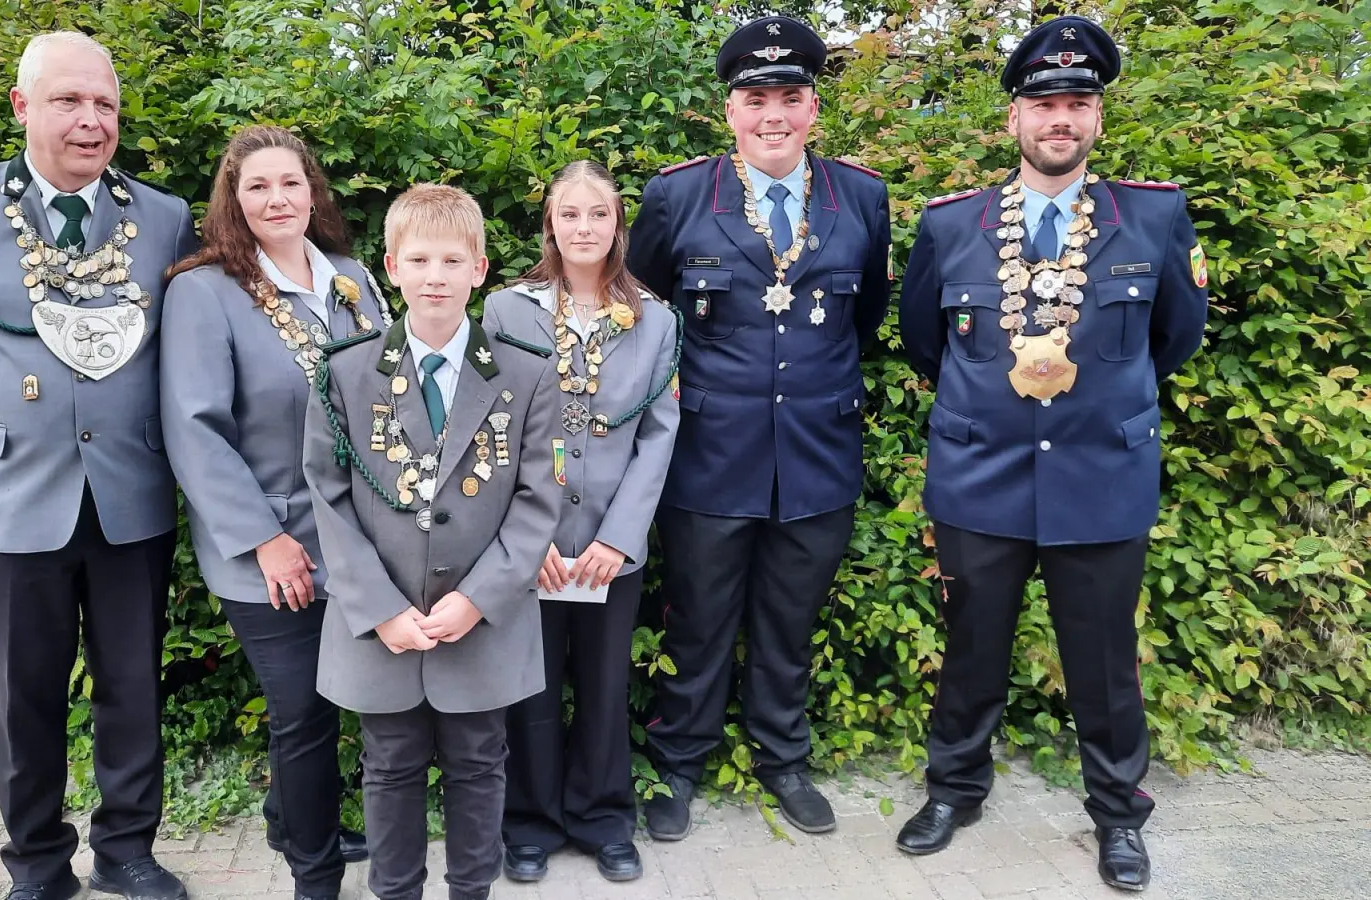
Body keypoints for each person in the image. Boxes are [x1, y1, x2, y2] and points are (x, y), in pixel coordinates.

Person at [894, 16, 1209, 893]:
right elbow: (928, 340)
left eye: (1076, 103)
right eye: (1043, 105)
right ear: (1014, 122)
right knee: (972, 648)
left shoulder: (1152, 217)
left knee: (1104, 663)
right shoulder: (952, 224)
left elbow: (1174, 337)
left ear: (1097, 119)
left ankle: (1117, 816)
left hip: (1101, 479)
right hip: (980, 474)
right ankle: (954, 791)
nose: (1058, 119)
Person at [0, 32, 198, 900]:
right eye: (68, 101)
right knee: (24, 701)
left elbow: (182, 354)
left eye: (104, 104)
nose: (91, 121)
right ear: (23, 107)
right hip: (14, 494)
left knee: (132, 687)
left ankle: (128, 849)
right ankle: (36, 863)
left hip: (132, 494)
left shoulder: (162, 216)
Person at [625, 14, 893, 839]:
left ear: (814, 107)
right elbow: (638, 312)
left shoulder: (862, 196)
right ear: (729, 109)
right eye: (754, 97)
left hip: (817, 452)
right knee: (698, 620)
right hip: (709, 455)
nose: (772, 113)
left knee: (789, 622)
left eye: (789, 95)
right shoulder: (678, 195)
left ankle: (783, 760)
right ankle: (677, 767)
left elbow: (869, 316)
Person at [302, 183, 561, 900]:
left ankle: (471, 892)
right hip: (381, 623)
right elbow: (325, 492)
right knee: (387, 768)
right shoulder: (346, 372)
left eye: (453, 260)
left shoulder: (528, 372)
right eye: (419, 259)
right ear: (390, 266)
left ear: (481, 269)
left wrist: (478, 599)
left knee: (481, 764)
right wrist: (378, 606)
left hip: (482, 622)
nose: (435, 276)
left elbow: (542, 497)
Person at [160, 125, 387, 900]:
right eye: (256, 187)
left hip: (355, 539)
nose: (276, 199)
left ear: (312, 190)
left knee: (343, 698)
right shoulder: (204, 291)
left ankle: (296, 819)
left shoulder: (351, 278)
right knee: (303, 710)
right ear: (234, 201)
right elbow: (196, 430)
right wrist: (264, 541)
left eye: (289, 182)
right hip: (270, 545)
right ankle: (315, 874)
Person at [481, 162, 682, 884]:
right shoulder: (509, 311)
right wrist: (521, 539)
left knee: (602, 685)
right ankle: (530, 822)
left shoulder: (655, 319)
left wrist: (619, 537)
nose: (584, 228)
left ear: (618, 225)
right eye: (570, 214)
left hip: (607, 548)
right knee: (529, 686)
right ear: (550, 224)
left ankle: (604, 817)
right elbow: (494, 429)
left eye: (599, 214)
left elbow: (659, 432)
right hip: (529, 545)